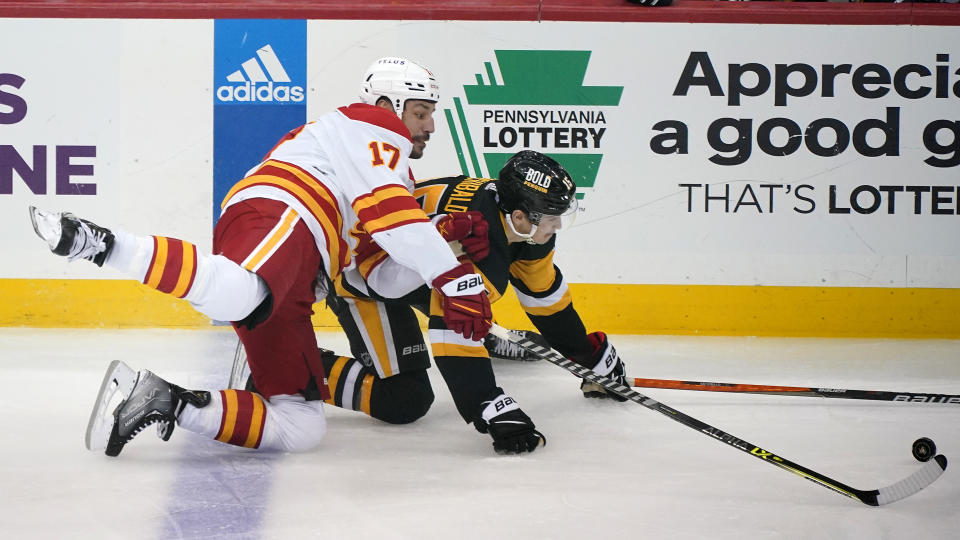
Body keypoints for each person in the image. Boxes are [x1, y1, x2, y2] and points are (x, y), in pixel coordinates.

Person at [28, 56, 492, 457]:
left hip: (300, 278)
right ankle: (102, 244)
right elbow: (390, 216)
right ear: (388, 107)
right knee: (240, 295)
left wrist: (438, 243)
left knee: (301, 427)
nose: (429, 125)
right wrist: (452, 278)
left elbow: (376, 278)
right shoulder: (371, 125)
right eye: (421, 111)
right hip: (286, 212)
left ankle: (162, 399)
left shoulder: (393, 174)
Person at [310, 150, 628, 455]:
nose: (557, 226)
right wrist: (488, 404)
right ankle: (300, 370)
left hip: (418, 269)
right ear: (519, 216)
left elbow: (545, 298)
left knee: (467, 307)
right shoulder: (480, 242)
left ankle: (484, 337)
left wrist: (587, 356)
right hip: (363, 276)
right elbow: (450, 332)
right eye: (552, 217)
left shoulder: (524, 226)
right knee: (405, 399)